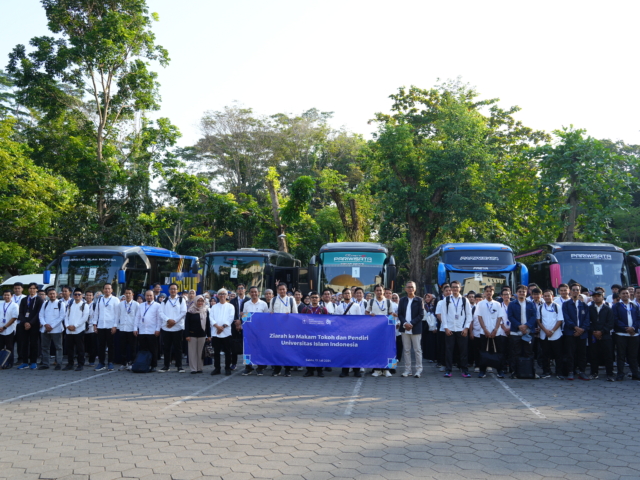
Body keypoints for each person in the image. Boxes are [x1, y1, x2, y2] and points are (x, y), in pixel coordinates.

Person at [441, 281, 472, 378]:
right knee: (449, 350)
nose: (455, 289)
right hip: (450, 329)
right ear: (450, 288)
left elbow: (469, 315)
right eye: (453, 287)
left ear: (460, 288)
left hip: (461, 329)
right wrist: (446, 328)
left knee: (463, 351)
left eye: (456, 287)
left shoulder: (464, 300)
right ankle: (448, 370)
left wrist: (466, 328)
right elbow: (443, 315)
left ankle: (464, 370)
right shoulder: (446, 300)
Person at [506, 285, 538, 379]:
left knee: (529, 352)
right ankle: (515, 372)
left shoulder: (530, 303)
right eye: (519, 291)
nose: (521, 293)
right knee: (516, 352)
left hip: (528, 331)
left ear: (526, 292)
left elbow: (534, 316)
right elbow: (510, 316)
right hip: (516, 332)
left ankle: (531, 372)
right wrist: (519, 326)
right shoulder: (512, 304)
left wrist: (526, 325)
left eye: (523, 291)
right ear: (516, 293)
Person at [366, 284, 397, 377]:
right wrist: (369, 315)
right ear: (374, 292)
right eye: (377, 290)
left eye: (380, 290)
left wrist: (394, 315)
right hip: (375, 329)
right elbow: (366, 312)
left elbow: (391, 313)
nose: (379, 292)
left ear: (383, 291)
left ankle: (387, 369)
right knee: (376, 349)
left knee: (387, 348)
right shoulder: (371, 301)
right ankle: (377, 369)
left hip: (386, 330)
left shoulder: (388, 302)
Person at [561, 283, 590, 381]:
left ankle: (582, 371)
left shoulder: (584, 305)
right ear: (570, 291)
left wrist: (582, 329)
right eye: (573, 290)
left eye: (577, 290)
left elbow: (587, 319)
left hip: (582, 333)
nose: (575, 291)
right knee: (570, 353)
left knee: (582, 354)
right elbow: (566, 318)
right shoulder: (566, 304)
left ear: (579, 291)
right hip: (570, 333)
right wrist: (575, 328)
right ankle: (570, 372)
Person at [476, 285, 506, 378]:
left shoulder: (497, 304)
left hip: (496, 332)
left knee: (498, 351)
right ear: (484, 292)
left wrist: (495, 330)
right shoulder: (480, 304)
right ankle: (482, 370)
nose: (489, 293)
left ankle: (499, 370)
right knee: (483, 351)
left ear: (493, 292)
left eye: (491, 291)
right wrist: (485, 329)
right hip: (484, 332)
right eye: (487, 291)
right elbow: (479, 317)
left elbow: (499, 317)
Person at [269, 283, 298, 377]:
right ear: (277, 290)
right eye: (280, 289)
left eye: (283, 289)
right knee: (277, 349)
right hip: (276, 329)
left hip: (287, 329)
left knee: (287, 349)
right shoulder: (273, 300)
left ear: (286, 290)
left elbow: (295, 315)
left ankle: (288, 369)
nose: (282, 291)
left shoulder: (291, 300)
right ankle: (277, 369)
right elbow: (270, 314)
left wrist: (289, 316)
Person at [398, 281, 425, 378]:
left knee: (417, 350)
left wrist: (412, 323)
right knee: (406, 350)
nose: (410, 289)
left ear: (415, 289)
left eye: (412, 287)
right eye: (408, 287)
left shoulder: (419, 300)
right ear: (405, 289)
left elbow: (421, 315)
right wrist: (405, 323)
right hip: (405, 328)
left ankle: (418, 370)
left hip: (415, 328)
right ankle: (407, 370)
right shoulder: (402, 300)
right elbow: (400, 313)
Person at [612, 286, 640, 381]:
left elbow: (638, 319)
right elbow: (615, 319)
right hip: (621, 335)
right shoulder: (616, 306)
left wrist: (633, 328)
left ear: (630, 294)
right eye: (623, 293)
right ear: (619, 295)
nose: (625, 295)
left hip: (633, 334)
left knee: (633, 355)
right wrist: (625, 328)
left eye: (627, 293)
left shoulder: (634, 306)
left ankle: (635, 374)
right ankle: (620, 374)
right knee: (621, 355)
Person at [240, 286, 269, 376]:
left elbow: (266, 318)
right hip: (249, 331)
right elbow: (244, 317)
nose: (254, 294)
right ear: (249, 293)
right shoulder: (246, 304)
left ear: (258, 292)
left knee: (259, 349)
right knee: (248, 349)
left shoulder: (263, 304)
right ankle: (248, 367)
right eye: (252, 292)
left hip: (260, 331)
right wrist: (242, 316)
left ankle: (260, 368)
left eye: (255, 292)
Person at [134, 290, 165, 372]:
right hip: (142, 330)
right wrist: (135, 328)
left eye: (150, 295)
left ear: (153, 296)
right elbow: (137, 317)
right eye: (147, 295)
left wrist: (158, 329)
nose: (149, 297)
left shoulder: (157, 305)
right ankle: (144, 364)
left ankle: (153, 365)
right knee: (143, 349)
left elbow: (159, 319)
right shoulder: (141, 305)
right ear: (145, 296)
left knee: (153, 349)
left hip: (152, 331)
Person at [537, 289, 564, 380]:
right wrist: (545, 331)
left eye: (549, 296)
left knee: (558, 355)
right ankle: (546, 372)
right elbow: (539, 321)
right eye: (545, 296)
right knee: (545, 355)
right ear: (543, 297)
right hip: (544, 335)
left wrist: (552, 331)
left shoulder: (558, 306)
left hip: (556, 334)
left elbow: (560, 320)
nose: (547, 297)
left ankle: (559, 372)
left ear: (552, 296)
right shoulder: (540, 307)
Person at [159, 283, 187, 373]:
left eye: (175, 289)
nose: (173, 290)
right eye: (171, 289)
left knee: (178, 347)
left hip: (177, 327)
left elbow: (183, 312)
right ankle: (166, 366)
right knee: (167, 348)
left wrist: (174, 321)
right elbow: (160, 312)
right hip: (167, 327)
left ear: (177, 290)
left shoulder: (181, 300)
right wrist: (168, 320)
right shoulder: (165, 300)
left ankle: (179, 366)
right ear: (168, 290)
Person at [588, 290, 615, 382]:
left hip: (606, 335)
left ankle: (609, 374)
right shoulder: (590, 308)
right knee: (593, 355)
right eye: (594, 296)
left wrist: (602, 332)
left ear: (602, 296)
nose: (596, 297)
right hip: (593, 335)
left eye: (598, 296)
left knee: (608, 355)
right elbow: (588, 322)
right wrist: (594, 332)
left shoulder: (608, 309)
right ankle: (594, 373)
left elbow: (610, 323)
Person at [93, 283, 120, 371]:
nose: (107, 290)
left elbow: (117, 314)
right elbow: (96, 312)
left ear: (112, 290)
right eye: (105, 288)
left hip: (110, 326)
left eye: (109, 289)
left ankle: (110, 362)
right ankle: (101, 363)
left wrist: (115, 326)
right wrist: (94, 324)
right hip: (101, 325)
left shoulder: (115, 300)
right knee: (101, 345)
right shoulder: (100, 299)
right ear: (103, 290)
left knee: (111, 345)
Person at [16, 283, 44, 370]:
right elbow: (20, 312)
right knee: (24, 343)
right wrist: (24, 322)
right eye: (30, 288)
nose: (32, 290)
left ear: (36, 290)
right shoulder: (24, 299)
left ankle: (33, 362)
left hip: (34, 325)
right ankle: (25, 362)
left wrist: (30, 323)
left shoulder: (39, 300)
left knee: (33, 343)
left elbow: (38, 313)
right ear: (28, 289)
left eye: (33, 288)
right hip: (24, 325)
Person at [301, 291, 328, 377]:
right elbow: (301, 321)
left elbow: (327, 322)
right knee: (309, 353)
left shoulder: (323, 309)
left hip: (320, 335)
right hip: (308, 335)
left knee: (320, 353)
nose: (314, 299)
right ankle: (309, 370)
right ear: (310, 299)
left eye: (316, 297)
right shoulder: (305, 309)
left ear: (319, 299)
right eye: (312, 297)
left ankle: (320, 371)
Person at [336, 287, 362, 378]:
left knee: (356, 352)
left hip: (354, 332)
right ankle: (345, 371)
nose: (347, 295)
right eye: (345, 293)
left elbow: (359, 319)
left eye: (349, 293)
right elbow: (337, 320)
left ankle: (356, 371)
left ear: (352, 295)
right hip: (343, 332)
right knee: (344, 352)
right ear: (342, 295)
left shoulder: (356, 306)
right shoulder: (339, 307)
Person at [38, 287, 65, 370]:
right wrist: (45, 324)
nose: (52, 295)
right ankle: (46, 363)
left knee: (58, 347)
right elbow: (41, 315)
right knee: (45, 347)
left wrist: (51, 326)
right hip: (45, 329)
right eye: (50, 294)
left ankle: (59, 363)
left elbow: (61, 317)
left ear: (56, 294)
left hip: (56, 329)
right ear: (47, 295)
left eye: (53, 293)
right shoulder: (45, 303)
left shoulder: (61, 304)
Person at [63, 288, 89, 371]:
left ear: (82, 296)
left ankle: (80, 364)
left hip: (79, 330)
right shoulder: (70, 304)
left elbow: (84, 318)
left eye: (79, 294)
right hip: (69, 330)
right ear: (73, 295)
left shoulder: (85, 305)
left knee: (80, 348)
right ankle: (70, 363)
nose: (77, 296)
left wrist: (75, 326)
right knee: (69, 348)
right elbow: (66, 316)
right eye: (75, 294)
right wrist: (67, 325)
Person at [210, 288, 234, 376]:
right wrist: (217, 327)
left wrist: (223, 327)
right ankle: (217, 368)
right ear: (218, 296)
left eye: (224, 294)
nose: (222, 296)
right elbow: (211, 318)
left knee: (228, 351)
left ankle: (227, 368)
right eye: (220, 294)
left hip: (226, 332)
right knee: (216, 352)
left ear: (227, 295)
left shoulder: (230, 306)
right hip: (216, 332)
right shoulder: (214, 307)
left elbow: (230, 318)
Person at [185, 295, 211, 374]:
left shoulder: (205, 310)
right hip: (192, 334)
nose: (200, 302)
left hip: (202, 334)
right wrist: (187, 335)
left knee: (200, 352)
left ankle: (199, 368)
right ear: (195, 301)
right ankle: (193, 369)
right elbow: (187, 324)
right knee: (192, 352)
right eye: (198, 301)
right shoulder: (190, 311)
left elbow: (207, 323)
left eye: (201, 301)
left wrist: (209, 335)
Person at [116, 288, 138, 371]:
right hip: (122, 328)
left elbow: (137, 317)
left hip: (132, 329)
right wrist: (116, 326)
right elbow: (117, 316)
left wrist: (136, 328)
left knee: (132, 347)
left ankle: (131, 363)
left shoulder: (136, 305)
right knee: (123, 347)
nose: (128, 295)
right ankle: (123, 363)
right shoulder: (120, 304)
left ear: (132, 294)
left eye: (129, 293)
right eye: (126, 293)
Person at [229, 284, 248, 371]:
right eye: (239, 288)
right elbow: (231, 314)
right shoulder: (232, 301)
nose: (240, 290)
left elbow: (250, 313)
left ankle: (248, 364)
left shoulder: (248, 300)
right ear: (237, 290)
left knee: (246, 344)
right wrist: (236, 322)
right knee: (233, 344)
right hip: (234, 325)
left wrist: (242, 321)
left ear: (245, 290)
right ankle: (234, 363)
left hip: (246, 326)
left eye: (242, 288)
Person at [0, 289, 19, 369]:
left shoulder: (15, 305)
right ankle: (1, 363)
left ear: (12, 296)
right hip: (0, 329)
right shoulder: (0, 304)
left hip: (9, 329)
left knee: (9, 347)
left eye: (8, 295)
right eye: (5, 295)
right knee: (0, 346)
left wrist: (4, 327)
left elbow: (14, 317)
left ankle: (9, 363)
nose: (6, 296)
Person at [84, 291, 98, 366]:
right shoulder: (83, 305)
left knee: (93, 345)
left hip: (92, 327)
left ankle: (91, 361)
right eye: (87, 295)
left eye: (90, 295)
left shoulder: (95, 305)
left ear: (93, 297)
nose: (88, 297)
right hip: (83, 328)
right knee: (84, 345)